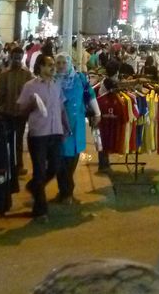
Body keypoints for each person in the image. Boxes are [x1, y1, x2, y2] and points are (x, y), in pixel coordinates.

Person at [17, 55, 69, 221]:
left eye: (53, 65)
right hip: (38, 134)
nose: (53, 68)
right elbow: (21, 110)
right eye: (49, 65)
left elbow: (61, 108)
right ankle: (40, 210)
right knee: (39, 171)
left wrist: (66, 126)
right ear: (39, 67)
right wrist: (31, 105)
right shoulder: (30, 86)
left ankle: (34, 186)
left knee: (54, 167)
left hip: (56, 133)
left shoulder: (56, 85)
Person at [54, 53, 100, 204]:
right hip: (58, 125)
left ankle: (66, 192)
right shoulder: (53, 80)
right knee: (60, 159)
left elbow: (90, 95)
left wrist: (97, 113)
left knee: (72, 158)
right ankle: (65, 192)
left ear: (69, 63)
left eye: (63, 62)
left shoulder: (80, 78)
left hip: (76, 124)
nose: (60, 65)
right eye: (58, 63)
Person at [0, 47, 33, 176]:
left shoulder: (27, 75)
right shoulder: (4, 75)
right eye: (15, 57)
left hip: (21, 114)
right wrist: (1, 110)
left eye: (19, 57)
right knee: (7, 140)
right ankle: (8, 165)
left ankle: (19, 165)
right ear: (10, 57)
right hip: (7, 113)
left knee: (18, 141)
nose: (17, 60)